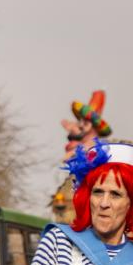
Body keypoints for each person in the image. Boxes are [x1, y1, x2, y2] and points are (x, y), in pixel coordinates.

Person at [51, 90, 113, 223]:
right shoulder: (77, 147)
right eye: (80, 121)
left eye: (85, 124)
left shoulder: (93, 149)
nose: (80, 125)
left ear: (94, 127)